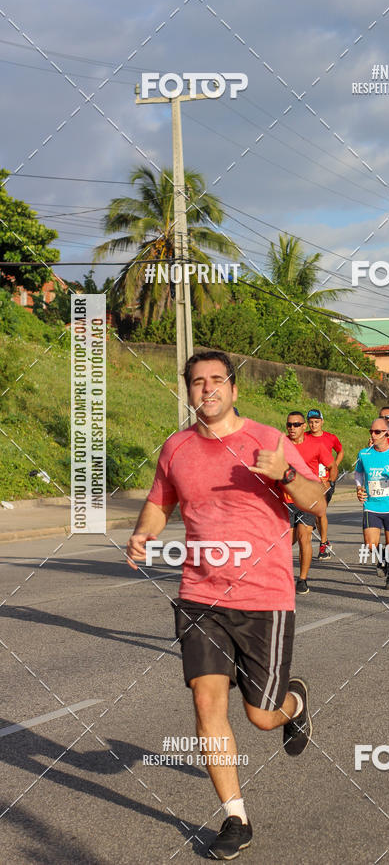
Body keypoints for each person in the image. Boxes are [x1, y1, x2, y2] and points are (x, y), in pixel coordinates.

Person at [126, 351, 326, 860]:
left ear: (234, 390)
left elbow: (317, 501)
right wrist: (144, 533)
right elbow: (160, 500)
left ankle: (293, 704)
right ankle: (235, 817)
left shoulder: (269, 440)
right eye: (197, 382)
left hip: (265, 598)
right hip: (200, 596)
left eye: (217, 381)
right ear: (188, 391)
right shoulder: (175, 447)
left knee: (261, 717)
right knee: (206, 703)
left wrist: (285, 474)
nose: (207, 389)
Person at [355, 417, 389, 589]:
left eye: (377, 431)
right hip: (371, 505)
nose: (373, 434)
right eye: (371, 431)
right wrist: (359, 488)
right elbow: (359, 474)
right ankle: (382, 559)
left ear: (386, 433)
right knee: (370, 544)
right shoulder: (364, 454)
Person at [285, 411, 338, 593]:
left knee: (303, 536)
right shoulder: (280, 445)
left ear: (303, 426)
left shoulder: (316, 445)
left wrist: (328, 483)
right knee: (287, 541)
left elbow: (332, 466)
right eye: (289, 425)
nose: (292, 428)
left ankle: (302, 579)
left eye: (296, 424)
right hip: (286, 500)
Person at [306, 408, 344, 561]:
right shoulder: (304, 437)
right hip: (309, 482)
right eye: (310, 422)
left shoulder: (330, 438)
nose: (313, 425)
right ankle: (325, 541)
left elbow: (340, 451)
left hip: (325, 481)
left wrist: (334, 465)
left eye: (316, 422)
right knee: (315, 514)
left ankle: (323, 544)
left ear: (322, 422)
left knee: (320, 511)